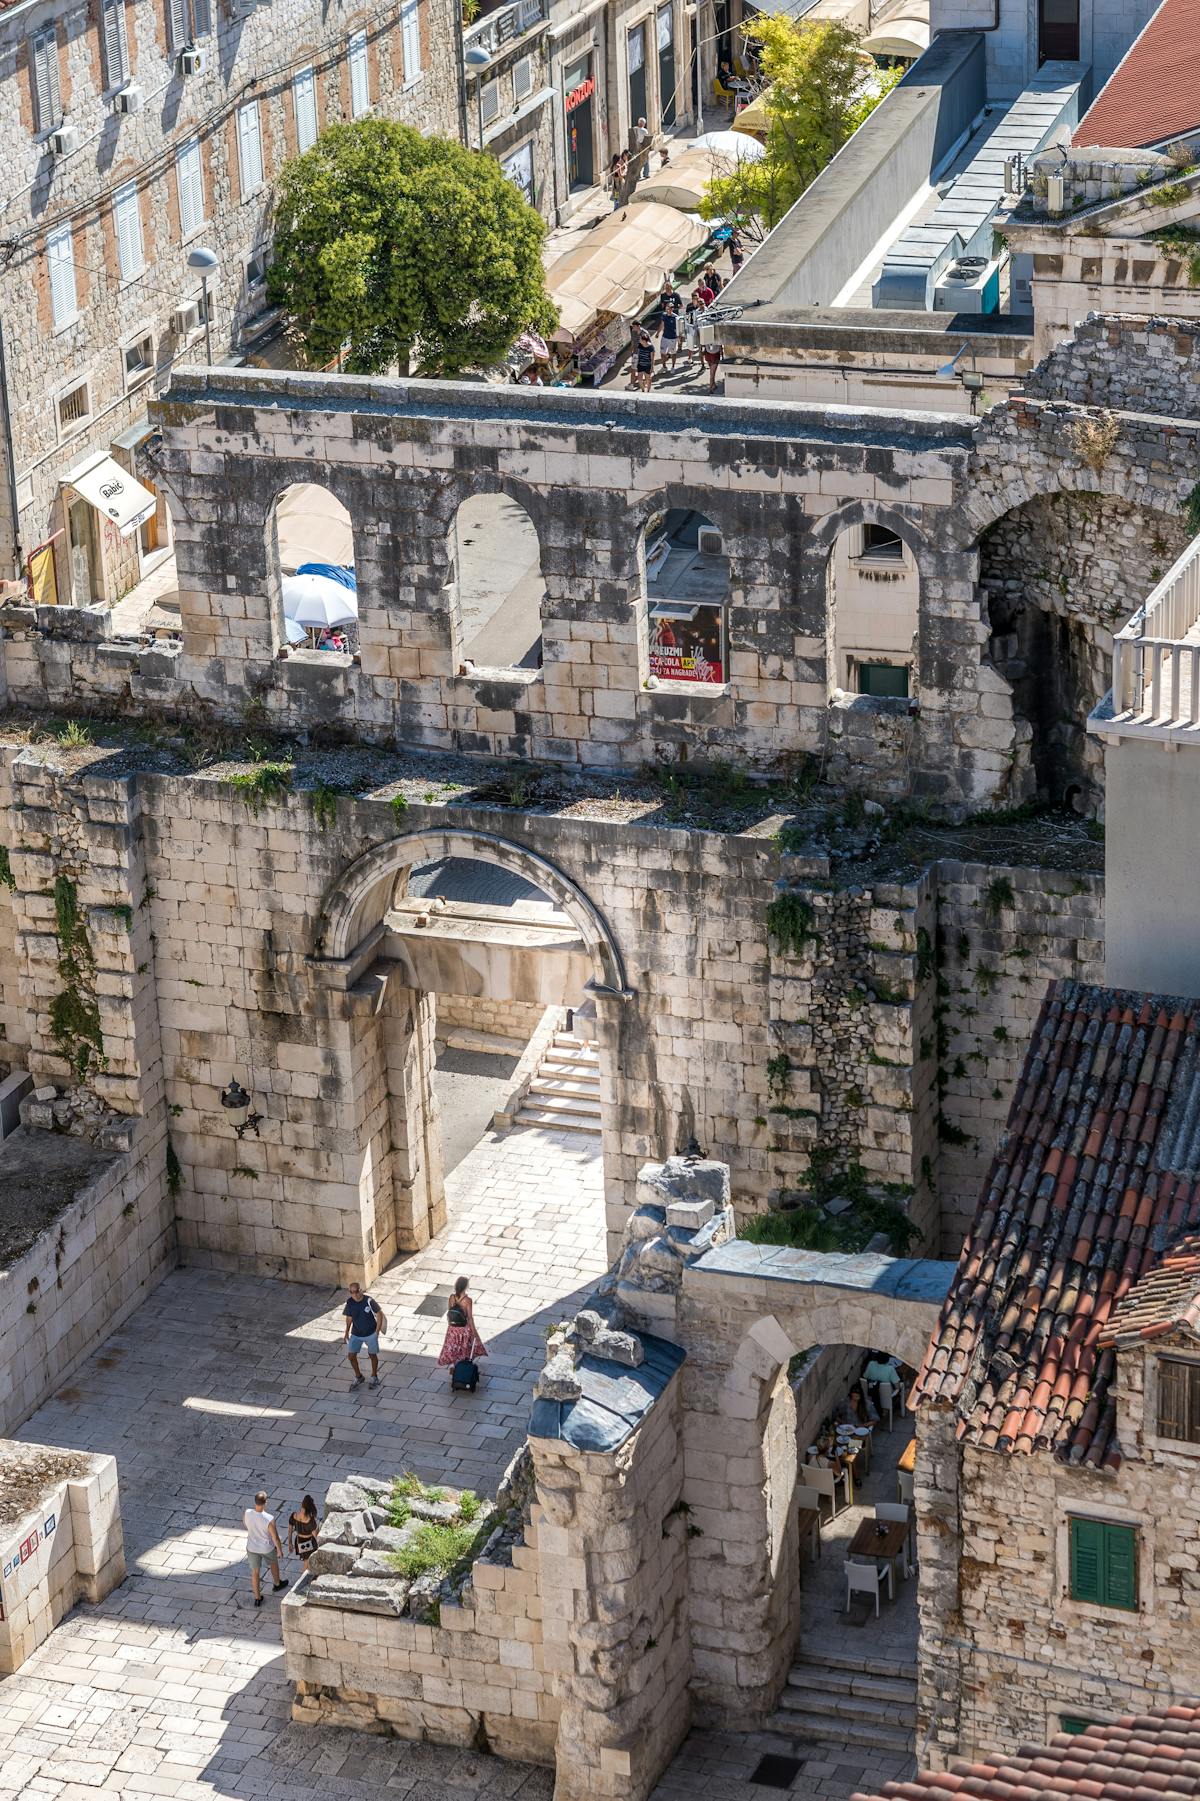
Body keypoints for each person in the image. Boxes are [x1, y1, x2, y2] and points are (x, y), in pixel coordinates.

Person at [437, 1276, 489, 1380]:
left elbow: (450, 1312)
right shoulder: (468, 1300)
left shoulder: (451, 1297)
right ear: (466, 1287)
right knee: (464, 1349)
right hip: (463, 1330)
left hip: (452, 1328)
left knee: (455, 1348)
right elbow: (469, 1318)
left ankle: (456, 1367)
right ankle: (462, 1369)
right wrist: (474, 1332)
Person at [244, 1491, 288, 1607]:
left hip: (252, 1547)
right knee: (273, 1563)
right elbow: (275, 1537)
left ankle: (257, 1598)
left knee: (255, 1572)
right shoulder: (269, 1519)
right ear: (265, 1503)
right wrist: (279, 1550)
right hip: (266, 1547)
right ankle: (277, 1583)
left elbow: (245, 1524)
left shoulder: (247, 1513)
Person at [343, 1280, 388, 1391]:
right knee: (351, 1356)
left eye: (357, 1291)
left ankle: (374, 1376)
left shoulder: (369, 1301)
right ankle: (358, 1376)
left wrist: (376, 1332)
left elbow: (379, 1314)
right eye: (352, 1292)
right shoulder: (349, 1303)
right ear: (350, 1292)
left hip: (370, 1333)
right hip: (356, 1334)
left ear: (361, 1290)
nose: (355, 1294)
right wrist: (346, 1332)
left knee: (372, 1355)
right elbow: (349, 1318)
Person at [863, 1350, 902, 1416]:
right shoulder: (890, 1369)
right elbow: (897, 1386)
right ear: (888, 1359)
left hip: (872, 1394)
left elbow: (865, 1376)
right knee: (900, 1386)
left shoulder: (871, 1364)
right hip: (887, 1397)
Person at [288, 1494, 319, 1571]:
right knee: (306, 1562)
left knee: (306, 1560)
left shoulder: (294, 1515)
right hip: (309, 1542)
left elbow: (290, 1530)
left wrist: (290, 1543)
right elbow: (315, 1535)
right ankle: (303, 1579)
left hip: (298, 1541)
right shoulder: (310, 1521)